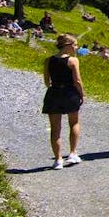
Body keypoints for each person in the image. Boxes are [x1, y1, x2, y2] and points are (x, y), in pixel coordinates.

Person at [42, 34, 85, 169]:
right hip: (70, 93)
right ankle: (72, 153)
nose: (76, 48)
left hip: (53, 93)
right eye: (75, 45)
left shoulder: (48, 60)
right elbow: (77, 81)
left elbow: (46, 80)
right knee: (74, 122)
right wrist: (82, 94)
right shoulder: (73, 61)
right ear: (68, 46)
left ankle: (58, 159)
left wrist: (52, 88)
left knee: (55, 128)